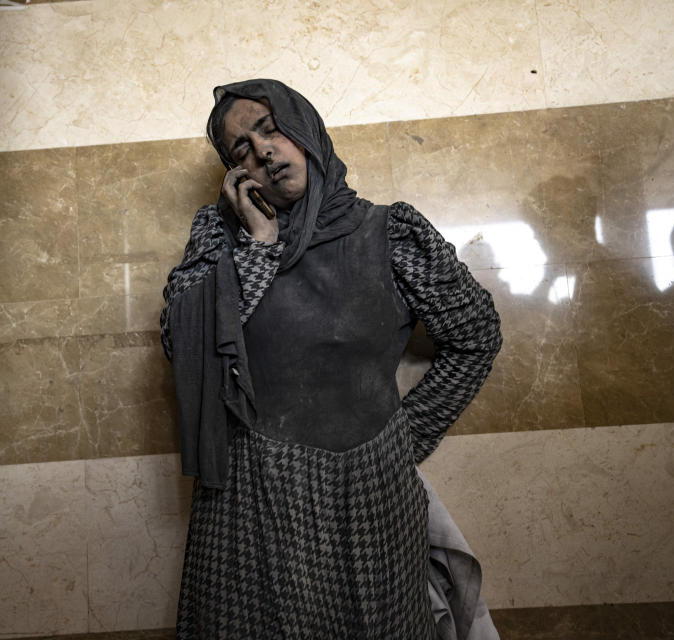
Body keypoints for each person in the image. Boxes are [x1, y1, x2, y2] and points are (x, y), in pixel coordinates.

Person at [160, 79, 502, 639]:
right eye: (241, 147)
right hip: (255, 495)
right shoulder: (220, 237)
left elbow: (475, 336)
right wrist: (261, 245)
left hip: (372, 496)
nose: (263, 150)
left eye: (270, 128)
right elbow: (184, 349)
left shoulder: (388, 233)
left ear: (306, 130)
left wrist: (399, 438)